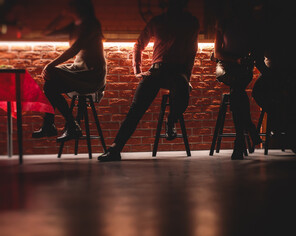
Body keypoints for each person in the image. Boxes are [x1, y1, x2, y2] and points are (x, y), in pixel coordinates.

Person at [98, 0, 199, 162]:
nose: (171, 7)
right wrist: (137, 70)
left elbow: (192, 51)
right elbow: (139, 44)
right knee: (135, 109)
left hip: (178, 71)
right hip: (157, 70)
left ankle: (171, 120)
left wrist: (188, 77)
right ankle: (115, 148)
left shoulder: (191, 22)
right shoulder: (158, 21)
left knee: (182, 90)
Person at [32, 0, 106, 142]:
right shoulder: (75, 26)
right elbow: (46, 32)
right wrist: (61, 15)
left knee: (51, 74)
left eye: (71, 5)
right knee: (50, 86)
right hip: (78, 70)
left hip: (91, 74)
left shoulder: (92, 24)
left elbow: (75, 49)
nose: (68, 7)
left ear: (79, 7)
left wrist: (50, 65)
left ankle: (58, 125)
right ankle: (65, 125)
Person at [214, 0, 267, 160]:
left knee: (236, 90)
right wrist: (236, 60)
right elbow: (217, 53)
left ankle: (240, 141)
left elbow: (256, 52)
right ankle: (249, 130)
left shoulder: (251, 25)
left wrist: (248, 62)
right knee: (238, 90)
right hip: (225, 66)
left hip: (243, 67)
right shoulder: (223, 23)